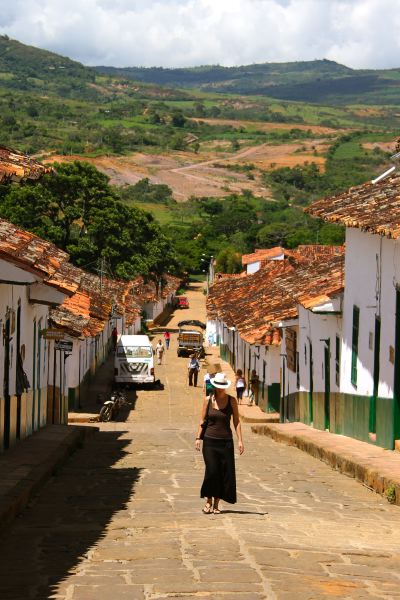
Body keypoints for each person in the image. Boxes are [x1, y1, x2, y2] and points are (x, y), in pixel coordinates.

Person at [195, 372, 244, 514]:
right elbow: (202, 420)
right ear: (215, 386)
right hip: (209, 441)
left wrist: (240, 440)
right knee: (212, 471)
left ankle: (216, 503)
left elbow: (236, 421)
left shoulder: (232, 400)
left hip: (226, 442)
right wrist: (198, 438)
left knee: (222, 472)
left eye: (223, 386)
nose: (221, 388)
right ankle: (208, 501)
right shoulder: (207, 400)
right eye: (219, 386)